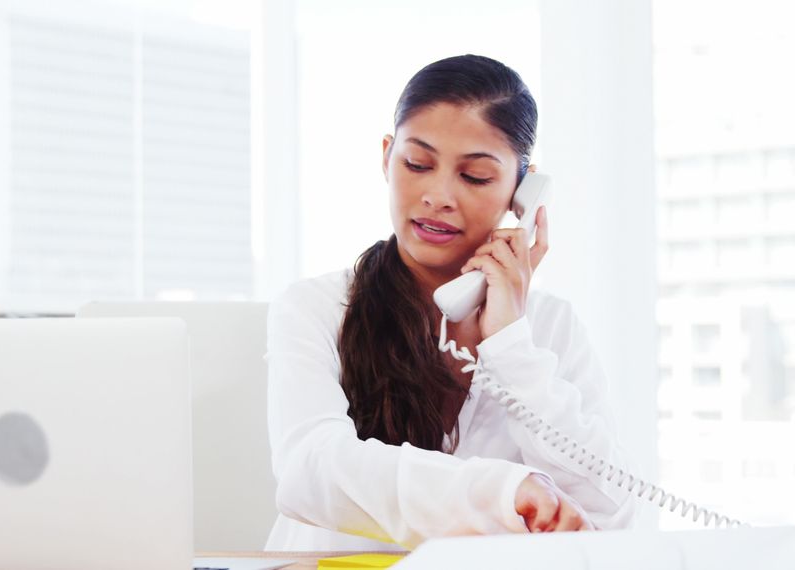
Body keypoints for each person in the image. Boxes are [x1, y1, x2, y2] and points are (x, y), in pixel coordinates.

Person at [264, 54, 636, 552]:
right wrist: (501, 492)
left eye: (476, 177)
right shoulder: (317, 306)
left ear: (521, 192)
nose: (438, 195)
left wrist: (510, 345)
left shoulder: (553, 327)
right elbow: (310, 470)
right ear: (386, 157)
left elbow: (608, 513)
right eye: (416, 164)